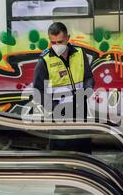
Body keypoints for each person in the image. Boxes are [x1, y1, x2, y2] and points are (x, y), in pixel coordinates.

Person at [33, 22, 94, 152]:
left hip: (80, 112)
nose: (56, 46)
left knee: (83, 151)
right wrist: (53, 107)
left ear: (68, 38)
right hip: (59, 115)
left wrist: (87, 91)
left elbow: (88, 77)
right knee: (61, 152)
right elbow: (38, 91)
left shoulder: (79, 54)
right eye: (53, 42)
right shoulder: (44, 60)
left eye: (60, 42)